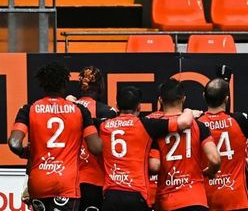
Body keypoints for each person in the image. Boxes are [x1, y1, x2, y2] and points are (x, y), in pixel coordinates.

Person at [8, 62, 102, 211]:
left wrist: (24, 152)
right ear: (64, 85)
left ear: (43, 85)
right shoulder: (80, 111)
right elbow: (96, 148)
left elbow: (14, 143)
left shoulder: (29, 109)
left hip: (39, 181)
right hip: (66, 182)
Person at [99, 86, 194, 211]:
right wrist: (189, 111)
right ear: (139, 107)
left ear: (116, 106)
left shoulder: (103, 125)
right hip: (136, 195)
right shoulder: (146, 125)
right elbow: (185, 122)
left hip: (111, 196)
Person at [198, 78, 248, 211]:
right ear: (226, 98)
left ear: (203, 96)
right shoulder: (240, 120)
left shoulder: (197, 123)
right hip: (236, 199)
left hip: (206, 199)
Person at [152, 78, 221, 211]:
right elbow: (215, 159)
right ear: (183, 99)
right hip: (196, 199)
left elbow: (154, 165)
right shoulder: (199, 126)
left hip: (168, 202)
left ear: (160, 100)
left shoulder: (156, 129)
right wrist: (209, 172)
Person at [75, 66, 118, 211]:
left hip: (70, 180)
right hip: (95, 179)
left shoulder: (69, 107)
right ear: (101, 86)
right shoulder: (109, 111)